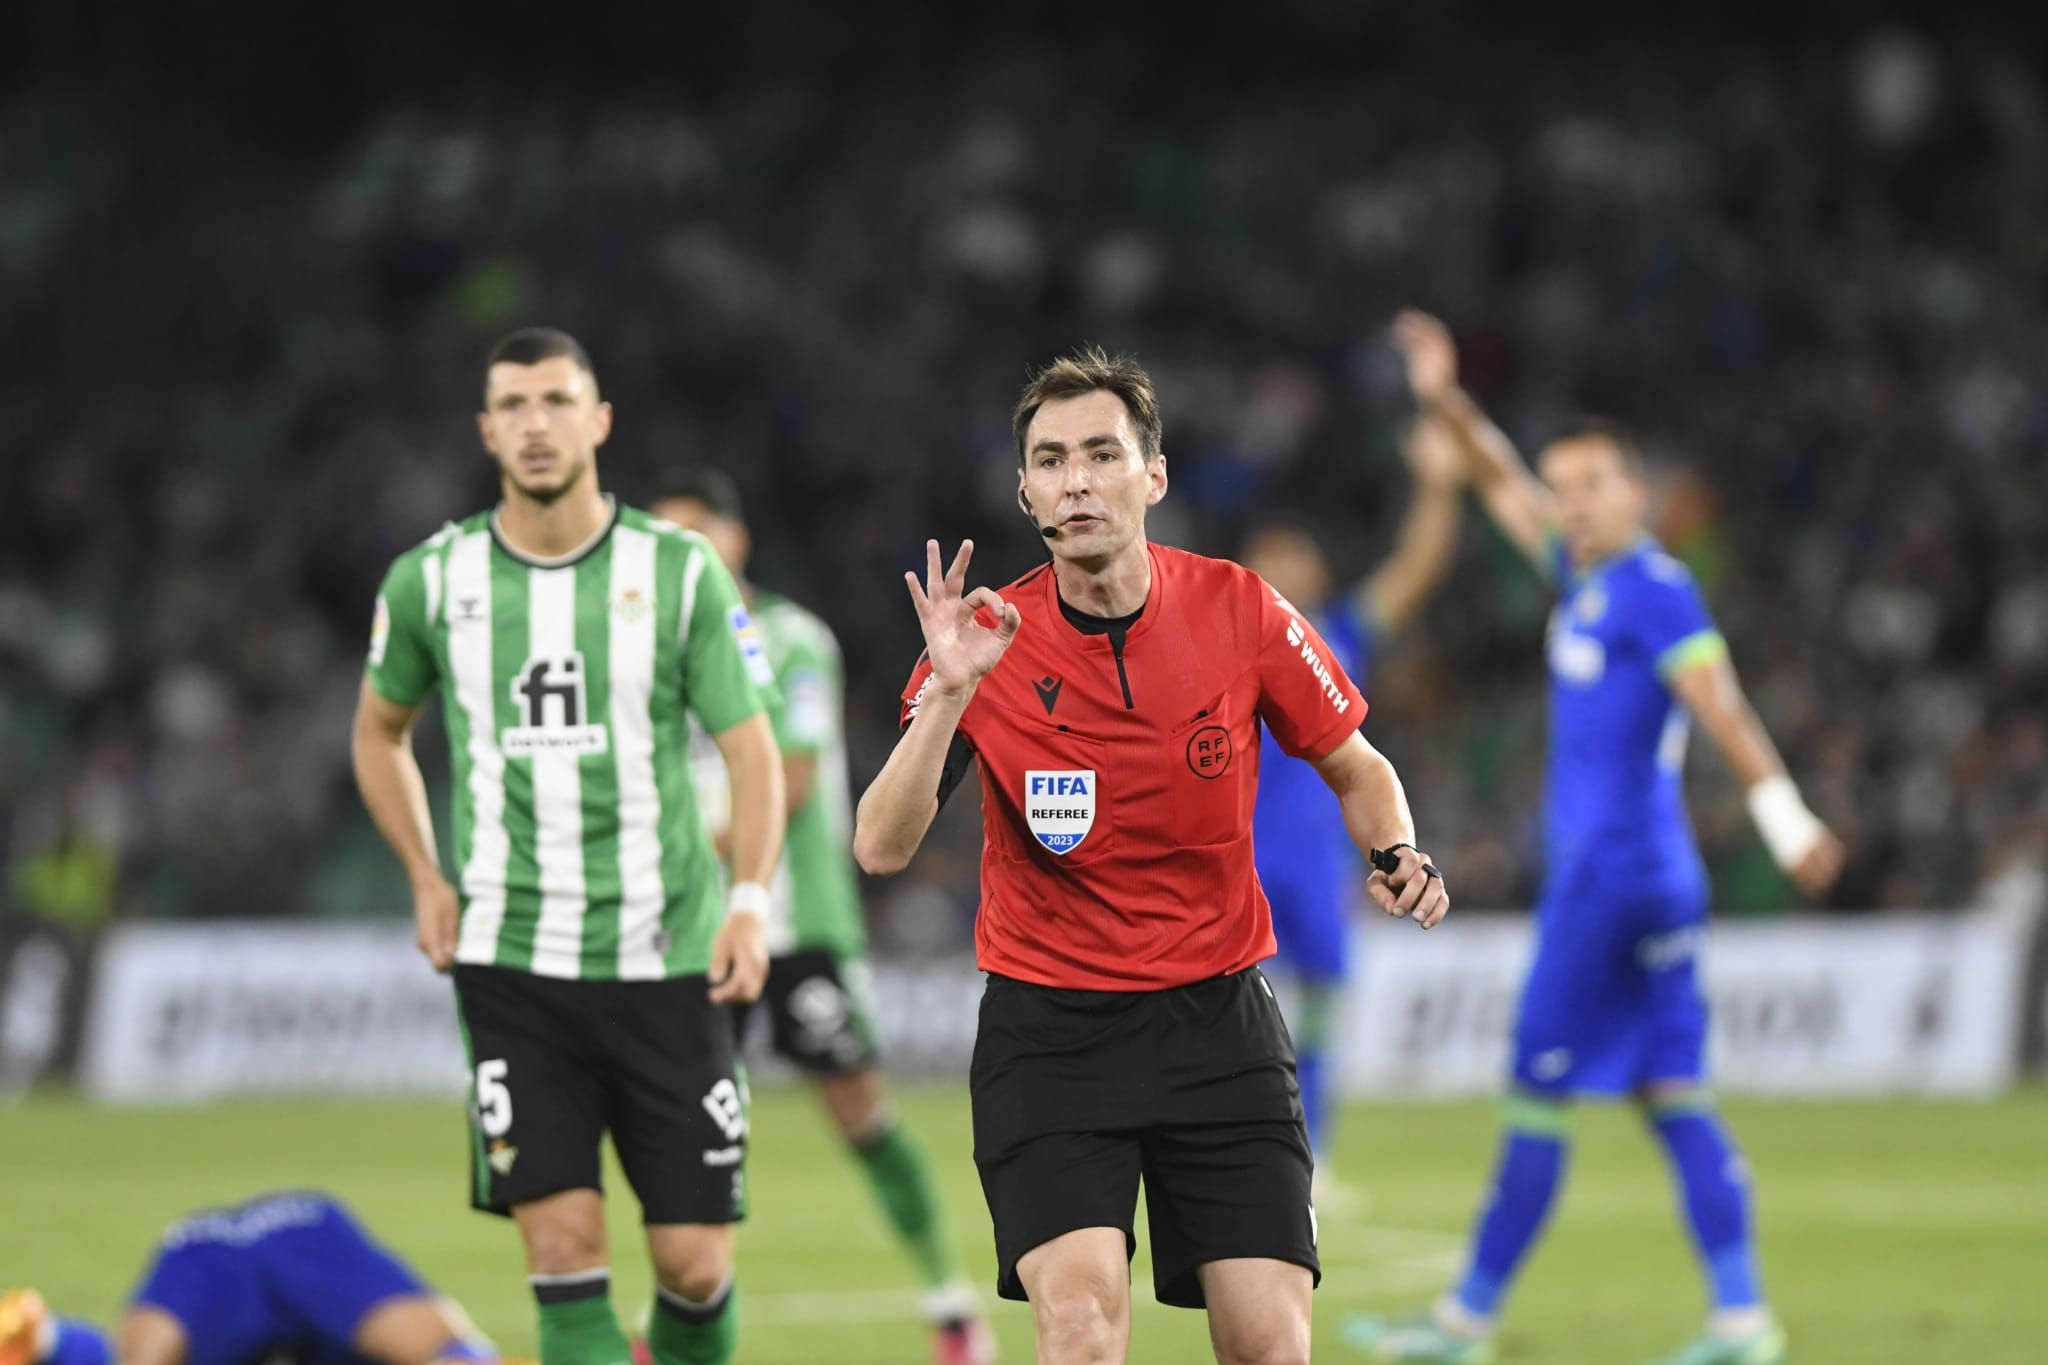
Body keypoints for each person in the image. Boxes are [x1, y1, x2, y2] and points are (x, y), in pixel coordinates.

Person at [852, 347, 1450, 1365]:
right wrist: (947, 692)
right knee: (1081, 1331)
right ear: (1025, 492)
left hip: (1219, 1023)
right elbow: (879, 843)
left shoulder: (1241, 607)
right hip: (1051, 1034)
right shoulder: (986, 639)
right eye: (1050, 461)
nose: (1076, 480)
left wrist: (1396, 847)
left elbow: (1358, 766)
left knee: (1270, 1344)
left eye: (1101, 454)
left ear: (1154, 475)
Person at [1345, 312, 1845, 1365]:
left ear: (1636, 495)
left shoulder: (1651, 589)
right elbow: (1494, 475)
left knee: (1537, 1091)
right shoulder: (1585, 578)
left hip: (1604, 884)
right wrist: (1443, 396)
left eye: (1591, 486)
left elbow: (1718, 705)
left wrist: (1783, 814)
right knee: (1673, 1090)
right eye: (1561, 486)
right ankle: (1743, 1320)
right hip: (1657, 878)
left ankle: (1463, 1322)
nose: (1568, 503)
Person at [350, 328, 786, 1365]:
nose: (535, 424)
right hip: (512, 961)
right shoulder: (430, 579)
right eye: (514, 405)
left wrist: (748, 900)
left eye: (555, 401)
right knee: (560, 1246)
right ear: (486, 430)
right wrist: (424, 874)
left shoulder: (678, 569)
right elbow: (377, 732)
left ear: (598, 421)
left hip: (668, 954)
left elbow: (752, 751)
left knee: (694, 1264)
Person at [652, 471, 997, 1365]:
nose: (680, 554)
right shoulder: (647, 646)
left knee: (859, 1111)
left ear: (736, 539)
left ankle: (953, 1305)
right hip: (697, 927)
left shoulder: (793, 639)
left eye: (695, 533)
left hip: (797, 921)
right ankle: (679, 1323)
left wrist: (668, 847)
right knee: (689, 1126)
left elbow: (793, 777)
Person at [1240, 417, 1464, 1192]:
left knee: (1320, 1016)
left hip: (1315, 864)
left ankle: (1314, 1157)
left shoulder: (1338, 634)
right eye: (1269, 556)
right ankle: (1237, 1154)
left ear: (1319, 570)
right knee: (1236, 1018)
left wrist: (1438, 483)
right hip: (1238, 858)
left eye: (1294, 554)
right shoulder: (1223, 642)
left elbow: (1417, 566)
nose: (1283, 566)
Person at [0, 1191, 513, 1365]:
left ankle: (44, 1335)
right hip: (260, 1239)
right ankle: (41, 1335)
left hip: (223, 1246)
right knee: (451, 1354)